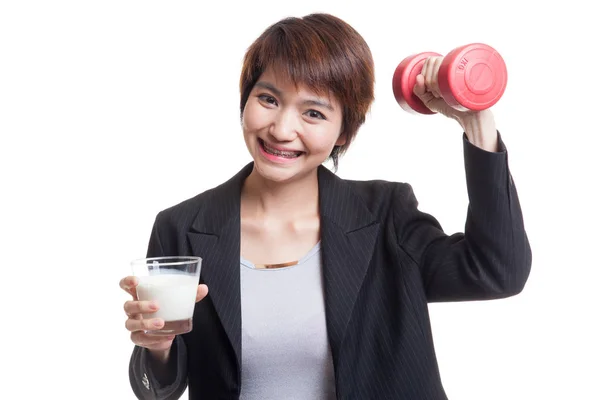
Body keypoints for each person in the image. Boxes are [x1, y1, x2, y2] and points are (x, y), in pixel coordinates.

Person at [120, 12, 532, 400]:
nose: (281, 130)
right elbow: (159, 389)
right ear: (245, 100)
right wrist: (157, 346)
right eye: (268, 99)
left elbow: (497, 272)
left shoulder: (386, 216)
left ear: (343, 133)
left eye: (313, 112)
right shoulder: (181, 226)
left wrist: (474, 119)